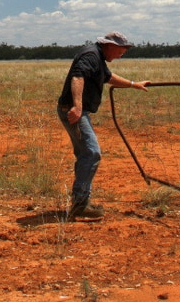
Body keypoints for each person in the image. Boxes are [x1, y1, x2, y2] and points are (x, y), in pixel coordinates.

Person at [57, 31, 150, 221]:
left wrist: (134, 84)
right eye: (121, 50)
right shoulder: (91, 55)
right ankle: (80, 205)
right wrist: (77, 105)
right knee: (91, 153)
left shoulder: (97, 58)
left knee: (86, 153)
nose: (122, 53)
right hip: (74, 111)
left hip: (77, 110)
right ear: (109, 45)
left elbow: (108, 78)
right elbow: (77, 77)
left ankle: (80, 201)